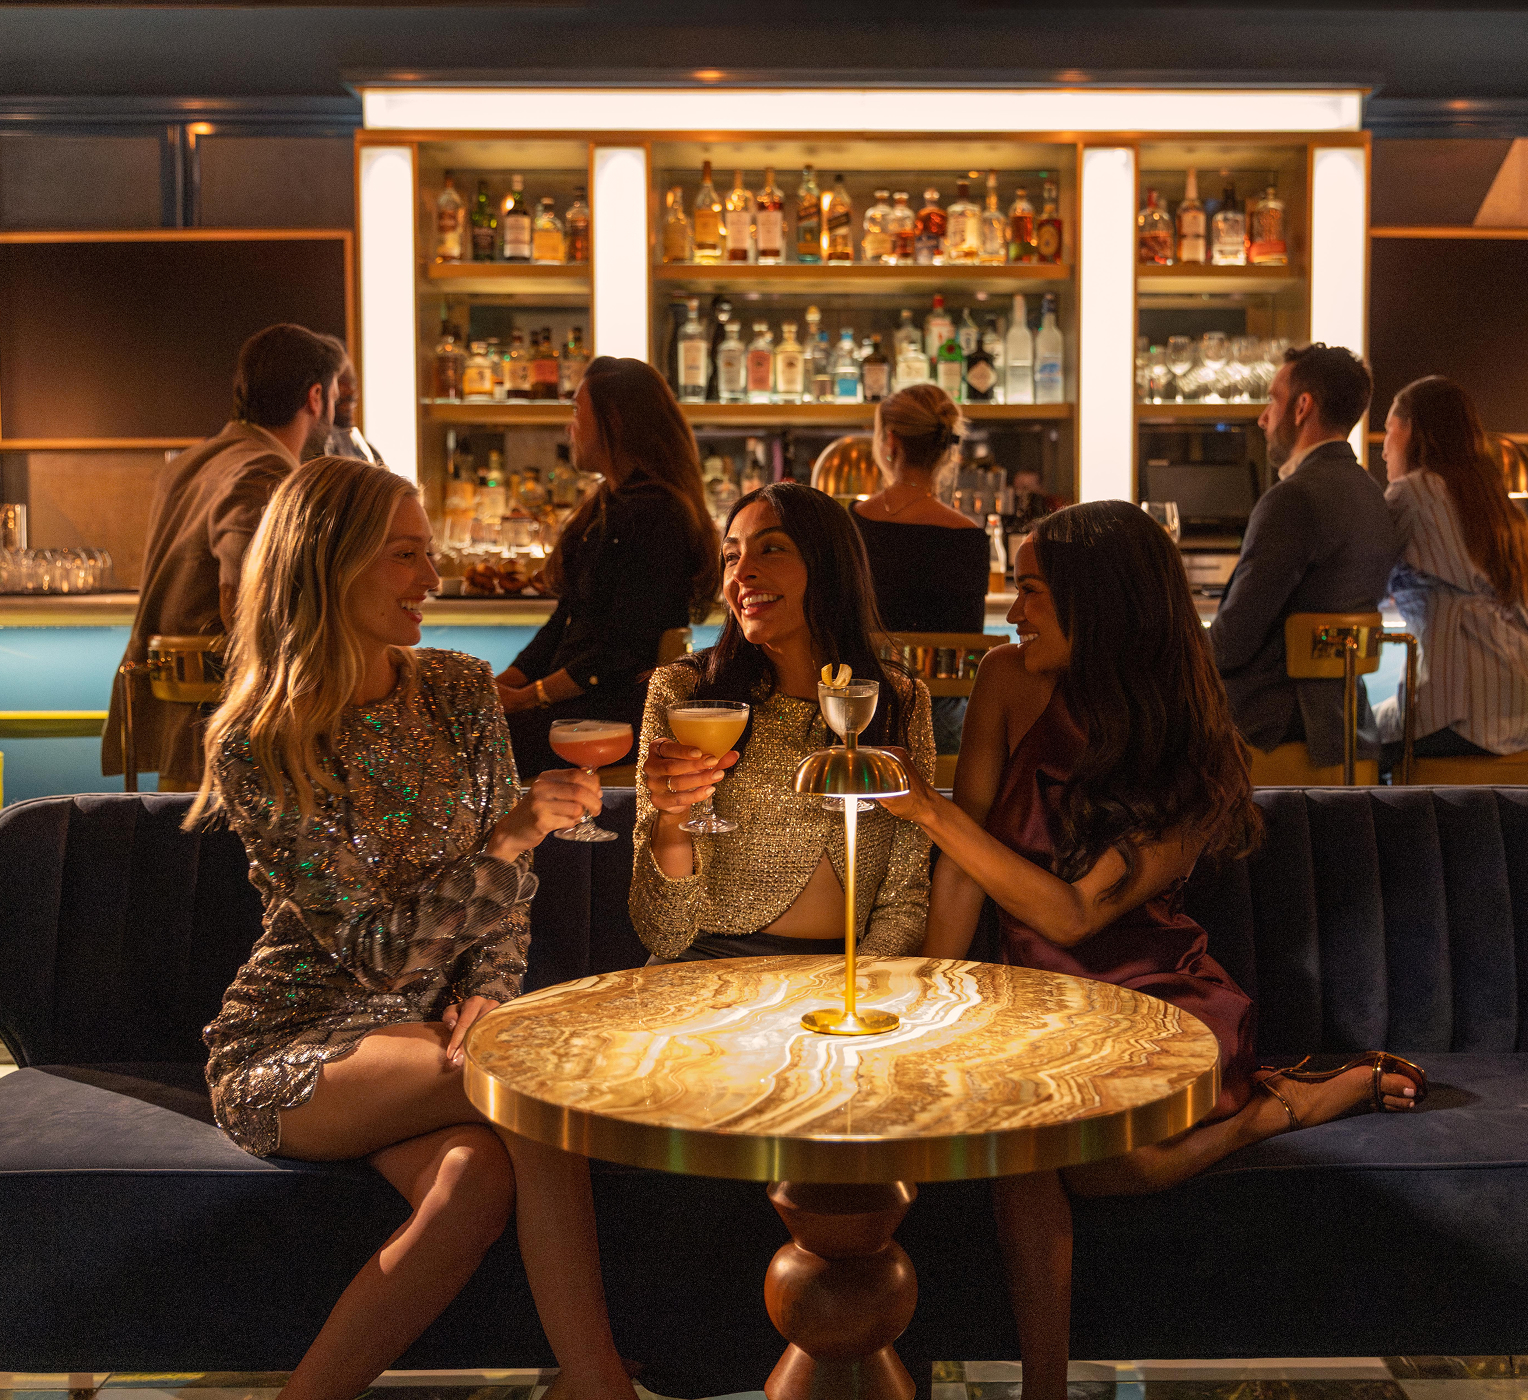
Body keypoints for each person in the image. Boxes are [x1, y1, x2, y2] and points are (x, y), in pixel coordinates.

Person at [881, 501, 1426, 1400]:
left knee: (1104, 1165)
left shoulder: (1193, 748)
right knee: (1026, 1133)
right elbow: (964, 870)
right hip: (1030, 1002)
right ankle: (1044, 1389)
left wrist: (929, 811)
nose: (1013, 610)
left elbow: (1072, 916)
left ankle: (1268, 1113)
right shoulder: (1005, 680)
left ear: (1099, 605)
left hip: (1154, 997)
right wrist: (927, 992)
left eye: (1033, 591)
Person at [190, 456, 636, 1400]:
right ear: (328, 562)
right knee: (533, 1091)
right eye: (405, 555)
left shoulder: (460, 690)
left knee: (473, 1183)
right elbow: (377, 954)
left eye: (429, 553)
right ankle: (599, 1386)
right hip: (296, 1038)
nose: (433, 578)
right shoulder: (260, 742)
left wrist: (492, 991)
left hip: (428, 1034)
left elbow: (509, 900)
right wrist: (511, 835)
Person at [633, 480, 936, 962]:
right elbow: (662, 934)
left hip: (849, 974)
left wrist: (862, 985)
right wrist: (671, 818)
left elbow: (904, 904)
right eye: (731, 557)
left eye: (771, 549)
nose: (742, 573)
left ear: (830, 566)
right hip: (707, 967)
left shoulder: (896, 699)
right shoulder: (687, 693)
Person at [104, 323, 345, 791]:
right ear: (315, 397)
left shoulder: (192, 462)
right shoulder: (264, 468)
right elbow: (243, 599)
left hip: (180, 725)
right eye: (334, 396)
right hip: (231, 738)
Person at [495, 356, 719, 777]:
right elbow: (564, 622)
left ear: (612, 420)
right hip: (579, 705)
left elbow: (621, 653)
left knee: (472, 740)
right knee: (470, 721)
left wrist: (527, 697)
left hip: (613, 713)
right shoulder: (606, 505)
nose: (570, 428)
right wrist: (505, 684)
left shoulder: (658, 515)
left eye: (577, 411)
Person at [1209, 343, 1401, 769]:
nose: (1263, 418)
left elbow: (1232, 643)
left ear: (1302, 407)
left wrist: (1163, 657)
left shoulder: (1292, 499)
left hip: (1275, 726)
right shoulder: (1371, 494)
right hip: (1350, 725)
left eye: (1273, 400)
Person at [1377, 375, 1528, 766]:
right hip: (1516, 701)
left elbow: (1363, 582)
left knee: (1354, 737)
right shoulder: (1496, 501)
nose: (1384, 449)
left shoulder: (1412, 492)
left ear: (1412, 430)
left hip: (1457, 705)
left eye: (1389, 430)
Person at [851, 384, 988, 754]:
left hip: (858, 714)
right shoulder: (968, 537)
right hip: (940, 725)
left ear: (890, 441)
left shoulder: (850, 525)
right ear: (946, 449)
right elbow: (969, 646)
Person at [311, 339, 385, 465]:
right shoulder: (314, 449)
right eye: (340, 400)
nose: (348, 407)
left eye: (351, 398)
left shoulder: (364, 449)